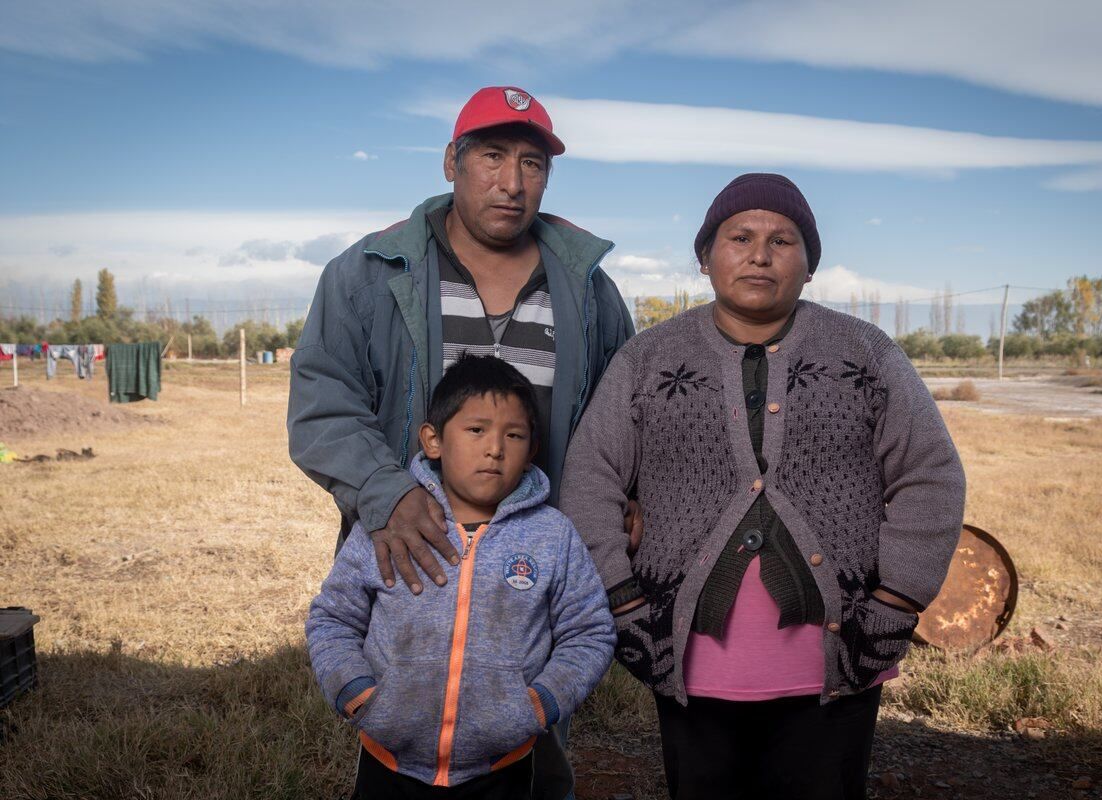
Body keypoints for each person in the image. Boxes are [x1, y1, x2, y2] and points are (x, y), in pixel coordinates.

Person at [561, 173, 966, 799]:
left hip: (841, 658)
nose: (759, 253)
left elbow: (930, 475)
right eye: (740, 236)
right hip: (685, 657)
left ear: (808, 267)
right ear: (705, 256)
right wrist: (621, 601)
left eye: (783, 240)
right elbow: (591, 479)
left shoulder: (865, 353)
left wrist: (898, 603)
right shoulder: (647, 360)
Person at [288, 85, 635, 799]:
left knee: (529, 760)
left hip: (531, 577)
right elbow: (322, 405)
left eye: (533, 163)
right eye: (492, 156)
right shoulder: (368, 275)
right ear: (452, 161)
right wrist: (386, 495)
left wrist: (624, 500)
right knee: (404, 750)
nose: (512, 182)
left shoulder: (587, 289)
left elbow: (623, 416)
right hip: (412, 564)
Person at [307, 355, 615, 800]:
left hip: (505, 766)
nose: (495, 448)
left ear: (531, 451)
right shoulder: (391, 526)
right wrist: (357, 692)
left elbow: (589, 632)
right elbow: (332, 619)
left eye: (514, 435)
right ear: (433, 440)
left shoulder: (552, 535)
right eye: (476, 430)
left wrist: (539, 704)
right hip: (388, 762)